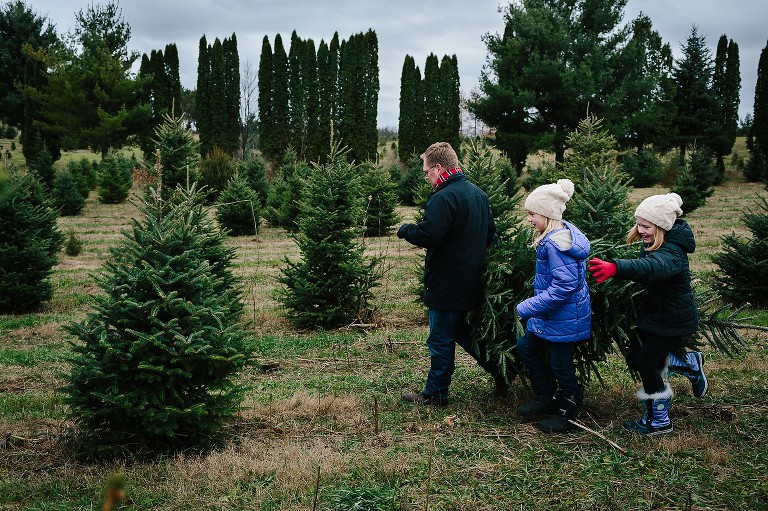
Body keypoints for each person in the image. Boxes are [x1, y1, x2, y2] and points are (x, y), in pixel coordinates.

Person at [588, 192, 707, 436]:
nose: (640, 230)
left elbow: (651, 268)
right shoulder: (655, 242)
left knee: (646, 362)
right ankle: (689, 364)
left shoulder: (672, 252)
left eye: (646, 226)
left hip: (672, 319)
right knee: (635, 358)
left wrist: (616, 268)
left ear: (662, 226)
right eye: (638, 224)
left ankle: (659, 420)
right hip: (654, 314)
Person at [397, 142, 498, 406]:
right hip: (471, 281)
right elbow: (492, 237)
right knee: (466, 334)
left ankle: (436, 393)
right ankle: (503, 373)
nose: (426, 176)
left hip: (446, 283)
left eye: (426, 171)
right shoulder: (478, 194)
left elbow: (430, 234)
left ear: (439, 168)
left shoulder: (443, 197)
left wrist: (407, 229)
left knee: (440, 339)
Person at [514, 179, 591, 433]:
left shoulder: (558, 244)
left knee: (561, 364)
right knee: (527, 347)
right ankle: (545, 397)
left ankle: (568, 414)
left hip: (564, 317)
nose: (529, 219)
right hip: (550, 316)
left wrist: (528, 307)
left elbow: (563, 287)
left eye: (532, 214)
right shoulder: (550, 238)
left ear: (547, 215)